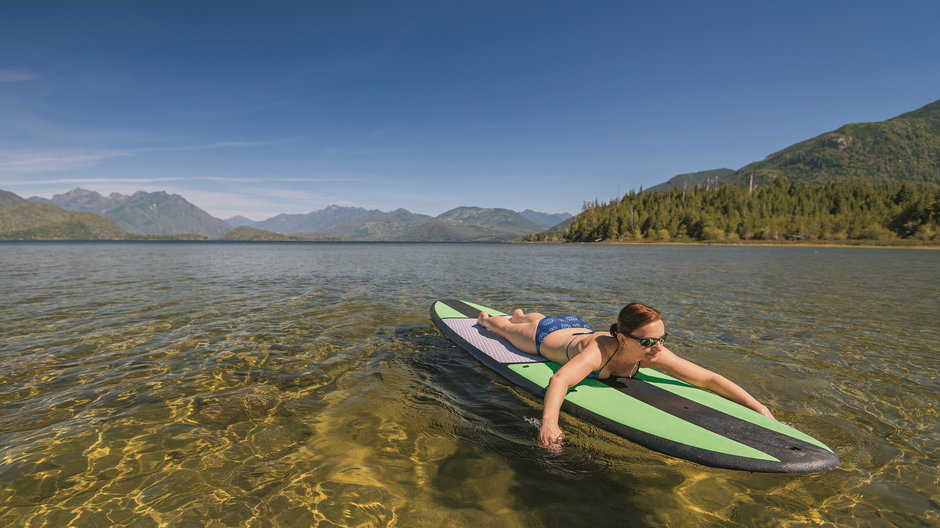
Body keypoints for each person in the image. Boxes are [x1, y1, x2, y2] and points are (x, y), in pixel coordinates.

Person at [476, 302, 776, 449]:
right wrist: (549, 424)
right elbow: (561, 380)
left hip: (574, 324)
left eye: (662, 338)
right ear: (622, 338)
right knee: (498, 328)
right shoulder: (598, 352)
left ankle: (523, 313)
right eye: (647, 341)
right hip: (546, 335)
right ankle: (508, 319)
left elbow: (707, 379)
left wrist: (758, 407)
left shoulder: (654, 352)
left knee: (529, 318)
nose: (657, 347)